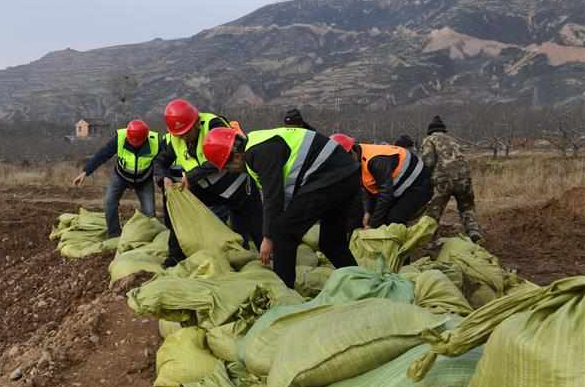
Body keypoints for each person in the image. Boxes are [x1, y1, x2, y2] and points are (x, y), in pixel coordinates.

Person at [202, 126, 359, 288]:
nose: (233, 172)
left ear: (235, 157)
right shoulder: (258, 143)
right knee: (331, 243)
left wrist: (268, 238)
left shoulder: (258, 153)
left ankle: (283, 294)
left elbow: (273, 197)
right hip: (346, 175)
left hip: (330, 176)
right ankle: (361, 281)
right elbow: (282, 197)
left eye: (228, 168)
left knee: (283, 235)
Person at [155, 99, 262, 267]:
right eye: (179, 134)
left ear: (196, 123)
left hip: (239, 189)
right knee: (182, 206)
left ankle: (269, 261)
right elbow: (159, 162)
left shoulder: (214, 124)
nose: (183, 137)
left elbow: (228, 153)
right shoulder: (176, 138)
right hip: (206, 189)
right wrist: (164, 178)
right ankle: (175, 256)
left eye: (186, 132)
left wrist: (191, 176)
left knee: (255, 230)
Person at [73, 119, 158, 238]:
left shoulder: (155, 142)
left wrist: (165, 179)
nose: (134, 144)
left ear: (145, 138)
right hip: (121, 177)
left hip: (144, 179)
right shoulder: (120, 138)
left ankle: (148, 236)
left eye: (137, 142)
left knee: (150, 212)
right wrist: (86, 171)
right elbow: (103, 154)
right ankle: (114, 234)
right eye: (132, 140)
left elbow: (162, 162)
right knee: (109, 202)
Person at [331, 134, 433, 229]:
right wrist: (367, 212)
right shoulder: (357, 158)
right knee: (371, 214)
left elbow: (385, 194)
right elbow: (366, 188)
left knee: (394, 218)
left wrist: (373, 225)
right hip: (397, 185)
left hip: (419, 184)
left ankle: (396, 244)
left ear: (351, 152)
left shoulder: (376, 161)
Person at [420, 115, 484, 242]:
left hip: (443, 179)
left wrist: (425, 180)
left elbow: (429, 161)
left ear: (430, 131)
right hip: (464, 178)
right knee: (467, 206)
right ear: (444, 130)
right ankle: (473, 231)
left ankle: (429, 239)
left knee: (434, 211)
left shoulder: (429, 140)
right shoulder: (453, 140)